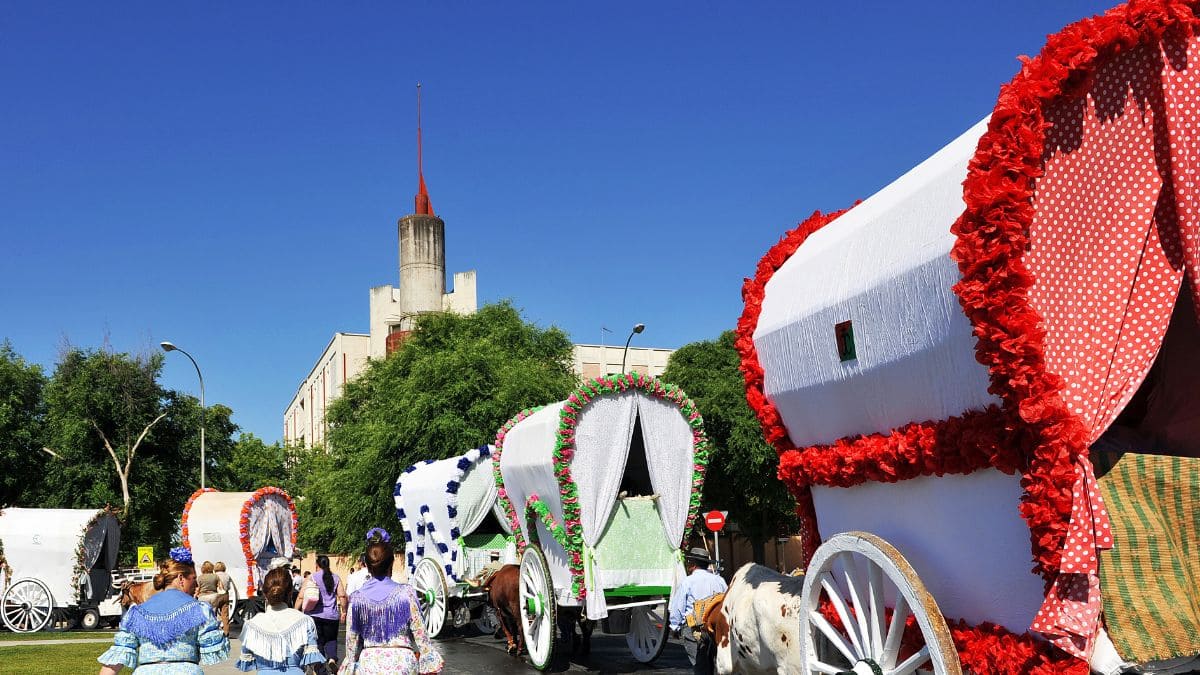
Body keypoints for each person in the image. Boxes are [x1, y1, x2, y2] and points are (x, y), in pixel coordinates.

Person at [97, 547, 230, 674]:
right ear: (181, 578)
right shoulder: (199, 610)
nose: (196, 585)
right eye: (194, 579)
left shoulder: (137, 613)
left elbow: (119, 655)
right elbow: (211, 646)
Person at [341, 528, 443, 674]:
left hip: (369, 663)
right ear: (391, 564)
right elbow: (419, 631)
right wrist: (427, 657)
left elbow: (352, 639)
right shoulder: (406, 593)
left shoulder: (357, 598)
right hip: (403, 662)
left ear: (368, 566)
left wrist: (351, 663)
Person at [234, 566, 324, 674]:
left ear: (265, 593)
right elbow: (313, 661)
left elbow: (247, 658)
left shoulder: (252, 624)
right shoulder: (305, 621)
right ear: (290, 592)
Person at [669, 547, 728, 675]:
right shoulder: (719, 580)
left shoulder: (688, 582)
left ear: (692, 565)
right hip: (715, 627)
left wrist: (675, 627)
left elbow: (678, 607)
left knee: (700, 664)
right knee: (715, 662)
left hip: (694, 627)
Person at [297, 554, 347, 674]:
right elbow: (342, 596)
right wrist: (344, 611)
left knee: (318, 641)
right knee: (331, 639)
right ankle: (332, 659)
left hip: (314, 616)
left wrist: (296, 611)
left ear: (317, 565)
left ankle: (319, 666)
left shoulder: (312, 577)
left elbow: (300, 596)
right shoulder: (335, 577)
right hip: (331, 616)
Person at [213, 561, 233, 636]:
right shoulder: (227, 575)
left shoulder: (214, 575)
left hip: (217, 595)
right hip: (225, 595)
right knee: (225, 615)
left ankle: (214, 630)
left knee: (214, 613)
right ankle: (226, 631)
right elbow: (229, 587)